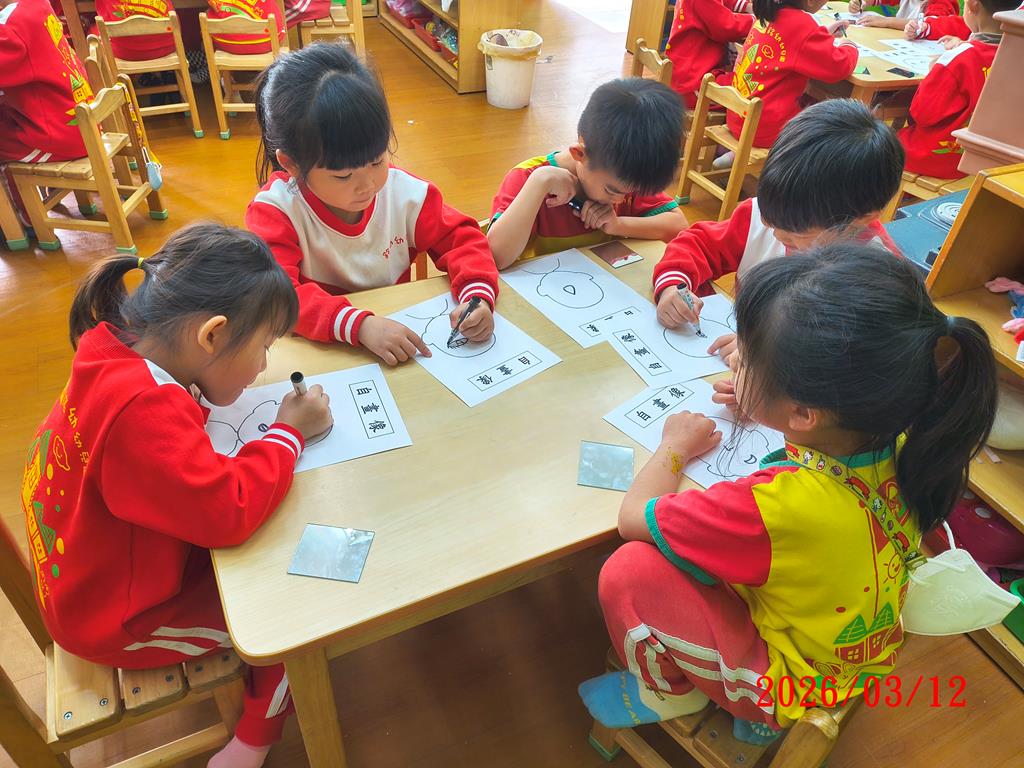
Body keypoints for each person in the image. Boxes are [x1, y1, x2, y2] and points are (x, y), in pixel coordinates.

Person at [579, 243, 997, 744]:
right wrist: (767, 399)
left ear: (804, 413)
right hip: (848, 645)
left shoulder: (774, 506)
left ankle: (672, 692)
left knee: (628, 571)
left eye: (747, 360)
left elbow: (633, 519)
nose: (735, 361)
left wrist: (674, 446)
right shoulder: (901, 436)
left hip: (787, 684)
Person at [21, 224, 333, 768]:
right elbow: (228, 512)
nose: (263, 366)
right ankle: (254, 739)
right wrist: (288, 434)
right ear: (211, 336)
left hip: (85, 575)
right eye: (263, 347)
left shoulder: (110, 348)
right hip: (116, 619)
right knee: (291, 614)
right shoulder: (142, 411)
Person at [246, 43, 499, 364]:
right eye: (343, 176)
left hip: (396, 339)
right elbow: (279, 298)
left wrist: (477, 294)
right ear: (291, 164)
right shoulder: (276, 212)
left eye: (377, 161)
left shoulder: (404, 194)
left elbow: (463, 240)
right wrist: (360, 326)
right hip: (327, 353)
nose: (367, 185)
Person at [653, 99, 903, 352]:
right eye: (769, 221)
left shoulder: (878, 278)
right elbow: (700, 245)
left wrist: (762, 356)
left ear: (860, 219)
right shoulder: (763, 213)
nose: (778, 235)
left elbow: (851, 356)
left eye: (796, 235)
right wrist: (674, 286)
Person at [487, 77, 687, 268]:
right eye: (611, 191)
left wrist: (618, 225)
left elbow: (679, 227)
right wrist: (539, 183)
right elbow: (496, 257)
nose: (620, 200)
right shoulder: (528, 178)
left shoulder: (629, 173)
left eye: (630, 192)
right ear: (579, 154)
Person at [899, 0, 1017, 179]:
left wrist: (935, 70)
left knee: (878, 140)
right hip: (990, 162)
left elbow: (921, 114)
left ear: (973, 5)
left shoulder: (959, 58)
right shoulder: (1016, 56)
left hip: (939, 159)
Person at [726, 0, 857, 148]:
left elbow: (792, 41)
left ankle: (736, 154)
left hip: (739, 118)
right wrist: (849, 45)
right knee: (832, 130)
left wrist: (822, 33)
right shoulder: (802, 24)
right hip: (767, 131)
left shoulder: (769, 12)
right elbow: (838, 66)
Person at [0, 0, 92, 164]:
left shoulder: (9, 27)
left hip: (56, 138)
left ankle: (16, 180)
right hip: (83, 124)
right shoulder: (39, 4)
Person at [665, 0, 753, 109]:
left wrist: (746, 6)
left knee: (750, 84)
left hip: (689, 75)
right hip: (694, 83)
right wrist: (756, 20)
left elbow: (721, 3)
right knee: (750, 90)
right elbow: (725, 26)